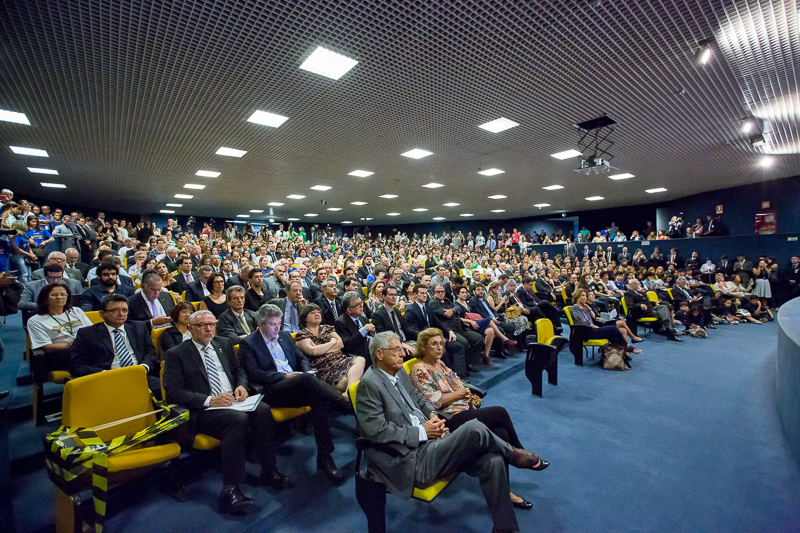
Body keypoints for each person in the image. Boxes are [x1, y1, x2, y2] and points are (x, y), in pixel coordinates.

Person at [356, 331, 548, 533]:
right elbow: (376, 431)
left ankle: (506, 528)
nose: (402, 353)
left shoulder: (398, 373)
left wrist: (432, 417)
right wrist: (422, 431)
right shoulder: (370, 384)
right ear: (379, 354)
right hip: (411, 459)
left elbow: (420, 401)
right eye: (396, 350)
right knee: (473, 428)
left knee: (493, 461)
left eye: (401, 348)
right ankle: (512, 453)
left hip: (433, 442)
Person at [163, 309, 288, 514]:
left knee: (263, 410)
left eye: (211, 324)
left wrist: (241, 386)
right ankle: (231, 488)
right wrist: (210, 400)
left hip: (234, 401)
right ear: (191, 328)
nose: (208, 328)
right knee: (237, 420)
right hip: (204, 409)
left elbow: (239, 370)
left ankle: (269, 470)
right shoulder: (177, 354)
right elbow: (174, 393)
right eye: (202, 325)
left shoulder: (223, 344)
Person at [410, 328, 546, 509]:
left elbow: (460, 384)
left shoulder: (441, 364)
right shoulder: (419, 369)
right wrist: (459, 394)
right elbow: (433, 401)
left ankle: (505, 491)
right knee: (499, 412)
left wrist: (467, 395)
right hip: (449, 418)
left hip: (465, 410)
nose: (439, 347)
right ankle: (519, 453)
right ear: (423, 347)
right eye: (434, 344)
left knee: (501, 433)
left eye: (441, 343)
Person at [237, 303, 353, 485]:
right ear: (260, 324)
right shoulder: (248, 343)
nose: (277, 328)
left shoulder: (283, 336)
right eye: (272, 325)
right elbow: (254, 373)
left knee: (316, 397)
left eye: (279, 324)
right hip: (273, 389)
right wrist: (285, 375)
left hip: (297, 383)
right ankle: (348, 406)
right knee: (308, 382)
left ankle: (325, 456)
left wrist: (305, 371)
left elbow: (301, 358)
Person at [70, 294, 161, 393]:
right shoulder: (87, 333)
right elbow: (77, 365)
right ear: (102, 313)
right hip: (107, 379)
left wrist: (144, 366)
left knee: (166, 389)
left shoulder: (139, 327)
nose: (121, 314)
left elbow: (150, 352)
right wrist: (104, 374)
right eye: (115, 310)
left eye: (124, 310)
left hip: (139, 375)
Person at [28, 283, 94, 382]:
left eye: (63, 295)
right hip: (59, 354)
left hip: (83, 348)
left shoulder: (76, 311)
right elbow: (46, 347)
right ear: (45, 298)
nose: (59, 297)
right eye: (54, 295)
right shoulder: (35, 320)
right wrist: (71, 345)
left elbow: (91, 331)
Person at [295, 303, 365, 392]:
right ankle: (349, 391)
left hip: (341, 361)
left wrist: (320, 348)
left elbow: (340, 344)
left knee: (361, 360)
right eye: (313, 313)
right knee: (356, 382)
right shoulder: (302, 334)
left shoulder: (327, 328)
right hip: (324, 368)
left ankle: (348, 392)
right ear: (305, 318)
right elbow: (313, 352)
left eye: (318, 312)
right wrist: (332, 342)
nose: (317, 314)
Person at [454, 286, 516, 365]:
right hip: (467, 326)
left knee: (490, 330)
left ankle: (486, 356)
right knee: (488, 319)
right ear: (457, 294)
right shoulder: (456, 304)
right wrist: (470, 321)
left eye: (465, 292)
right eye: (462, 292)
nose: (464, 294)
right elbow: (457, 318)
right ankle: (504, 339)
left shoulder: (467, 303)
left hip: (475, 323)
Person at [571, 289, 641, 354]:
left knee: (618, 332)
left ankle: (619, 356)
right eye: (582, 295)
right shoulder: (575, 307)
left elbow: (594, 317)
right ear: (577, 297)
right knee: (613, 328)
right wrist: (594, 326)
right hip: (586, 331)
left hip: (592, 329)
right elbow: (583, 322)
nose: (585, 298)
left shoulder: (584, 307)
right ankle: (627, 348)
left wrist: (589, 308)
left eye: (585, 296)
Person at [19, 264, 84, 311]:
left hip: (68, 313)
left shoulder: (74, 283)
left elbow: (82, 300)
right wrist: (46, 305)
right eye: (51, 278)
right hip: (43, 315)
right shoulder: (31, 286)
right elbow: (22, 304)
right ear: (45, 276)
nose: (55, 280)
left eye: (59, 277)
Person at [334, 290, 374, 364]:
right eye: (357, 305)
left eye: (361, 303)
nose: (361, 306)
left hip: (370, 351)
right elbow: (347, 345)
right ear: (349, 310)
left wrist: (372, 332)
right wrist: (364, 330)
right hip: (356, 357)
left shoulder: (363, 319)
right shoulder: (340, 322)